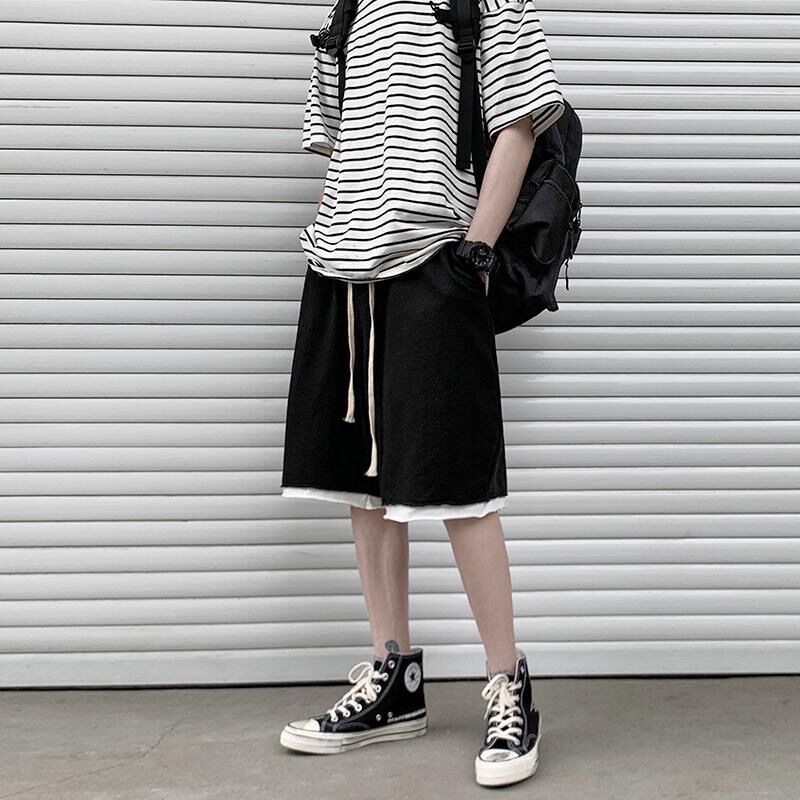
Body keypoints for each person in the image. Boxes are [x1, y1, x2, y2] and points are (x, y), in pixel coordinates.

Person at [279, 0, 564, 787]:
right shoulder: (349, 9)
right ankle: (393, 679)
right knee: (362, 484)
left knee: (462, 485)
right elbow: (340, 145)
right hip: (341, 268)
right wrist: (331, 233)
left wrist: (475, 252)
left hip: (437, 257)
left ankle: (508, 683)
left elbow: (519, 122)